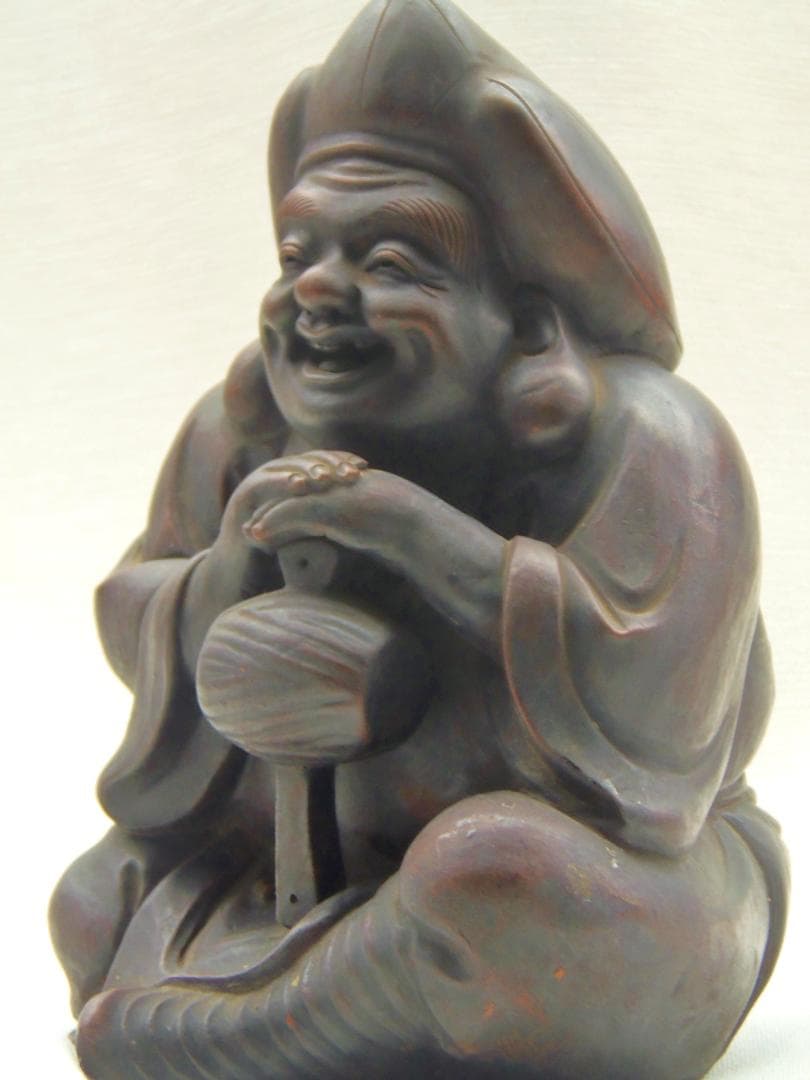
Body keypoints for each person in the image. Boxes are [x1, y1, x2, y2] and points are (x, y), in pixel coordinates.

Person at [51, 2, 788, 1077]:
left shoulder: (651, 441)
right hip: (304, 874)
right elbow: (134, 607)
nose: (314, 289)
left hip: (612, 887)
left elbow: (657, 714)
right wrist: (232, 569)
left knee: (495, 878)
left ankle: (258, 1033)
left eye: (390, 260)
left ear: (525, 320)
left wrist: (419, 539)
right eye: (299, 252)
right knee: (91, 901)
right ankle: (324, 994)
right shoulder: (239, 434)